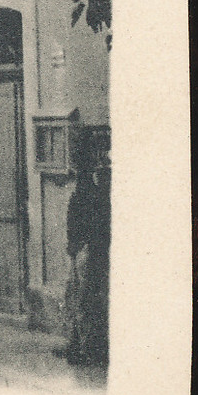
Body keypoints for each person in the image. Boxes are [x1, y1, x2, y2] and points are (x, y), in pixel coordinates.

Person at [62, 146, 111, 367]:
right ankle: (78, 345)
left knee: (82, 300)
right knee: (77, 298)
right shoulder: (90, 193)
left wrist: (78, 245)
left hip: (86, 251)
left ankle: (84, 347)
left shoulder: (88, 194)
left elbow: (87, 226)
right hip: (81, 250)